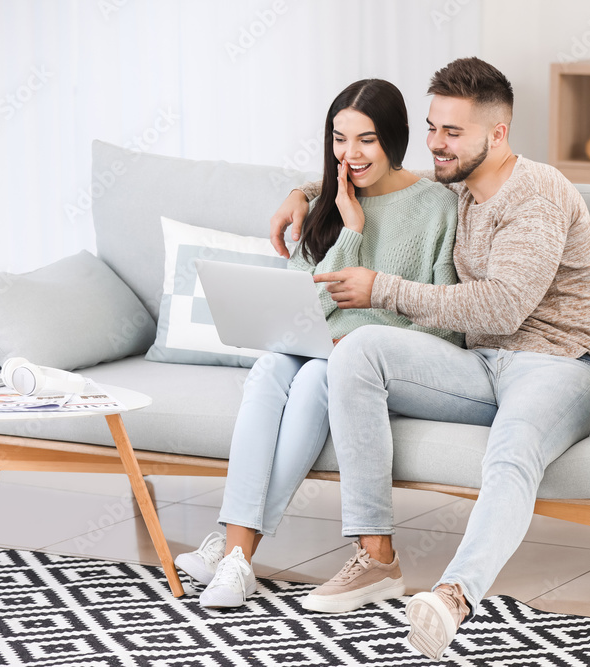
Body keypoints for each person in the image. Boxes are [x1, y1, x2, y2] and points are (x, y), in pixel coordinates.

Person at [269, 57, 590, 660]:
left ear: (498, 133)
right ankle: (375, 558)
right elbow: (383, 177)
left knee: (512, 449)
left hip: (567, 362)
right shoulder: (455, 186)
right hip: (482, 365)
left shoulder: (537, 193)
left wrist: (382, 289)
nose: (436, 143)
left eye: (453, 132)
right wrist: (304, 193)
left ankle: (453, 596)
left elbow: (504, 307)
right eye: (433, 126)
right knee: (358, 350)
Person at [175, 78, 463, 609]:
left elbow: (444, 322)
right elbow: (301, 306)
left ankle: (234, 550)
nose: (350, 154)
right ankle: (236, 557)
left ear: (395, 138)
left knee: (313, 379)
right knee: (269, 369)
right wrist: (349, 229)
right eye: (339, 139)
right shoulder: (327, 203)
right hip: (313, 344)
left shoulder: (438, 209)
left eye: (367, 140)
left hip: (374, 362)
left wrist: (358, 340)